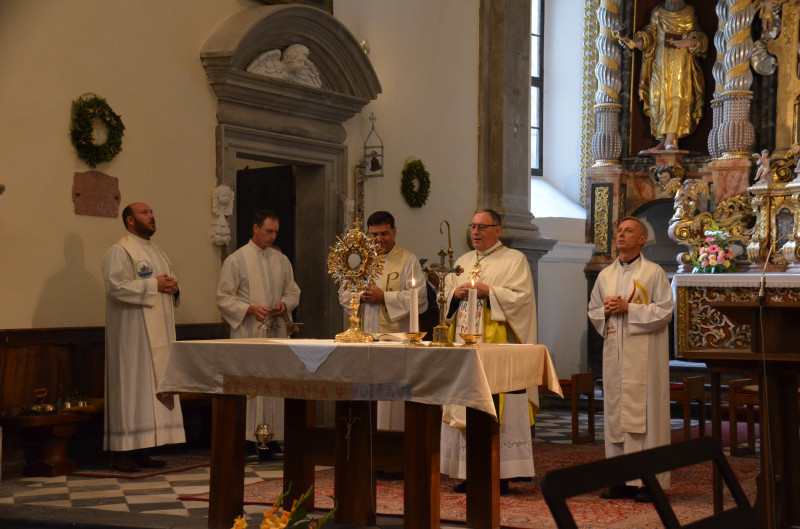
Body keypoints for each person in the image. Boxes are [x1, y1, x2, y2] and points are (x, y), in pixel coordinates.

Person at [440, 209, 538, 494]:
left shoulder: (514, 260)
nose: (475, 232)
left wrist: (490, 292)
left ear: (498, 229)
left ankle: (502, 473)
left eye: (482, 227)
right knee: (463, 404)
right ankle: (467, 472)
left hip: (498, 347)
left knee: (498, 406)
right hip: (463, 344)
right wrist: (454, 295)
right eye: (473, 226)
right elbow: (445, 299)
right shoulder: (462, 261)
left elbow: (522, 299)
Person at [588, 217, 673, 503]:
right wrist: (605, 311)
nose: (621, 235)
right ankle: (621, 479)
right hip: (616, 354)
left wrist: (629, 309)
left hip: (645, 356)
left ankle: (651, 481)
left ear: (642, 239)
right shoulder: (605, 275)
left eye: (628, 231)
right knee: (616, 415)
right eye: (619, 231)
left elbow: (665, 311)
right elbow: (593, 310)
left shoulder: (654, 272)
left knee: (647, 416)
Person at [102, 202, 185, 472]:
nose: (152, 216)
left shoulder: (157, 251)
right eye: (145, 213)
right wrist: (154, 284)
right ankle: (121, 452)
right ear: (130, 220)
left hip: (157, 335)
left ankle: (142, 448)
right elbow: (116, 288)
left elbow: (166, 282)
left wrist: (173, 287)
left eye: (151, 212)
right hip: (132, 336)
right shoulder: (120, 250)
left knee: (147, 392)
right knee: (131, 389)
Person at [216, 210, 301, 446]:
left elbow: (293, 291)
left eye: (275, 232)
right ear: (255, 228)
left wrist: (284, 304)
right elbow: (223, 297)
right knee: (250, 384)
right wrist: (249, 309)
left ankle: (272, 439)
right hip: (248, 332)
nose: (272, 236)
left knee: (274, 383)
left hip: (275, 332)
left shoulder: (281, 260)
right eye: (268, 231)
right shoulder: (236, 260)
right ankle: (246, 439)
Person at [338, 210, 426, 430]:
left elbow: (420, 298)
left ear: (394, 231)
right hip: (362, 338)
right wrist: (361, 296)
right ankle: (362, 439)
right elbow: (343, 294)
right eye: (374, 235)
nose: (379, 240)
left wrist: (384, 297)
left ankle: (391, 441)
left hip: (393, 340)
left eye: (384, 234)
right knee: (364, 390)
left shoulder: (408, 260)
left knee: (390, 395)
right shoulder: (358, 259)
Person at [619, 0, 707, 151]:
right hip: (660, 60)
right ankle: (663, 139)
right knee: (657, 97)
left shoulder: (689, 11)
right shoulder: (658, 11)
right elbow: (650, 35)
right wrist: (635, 43)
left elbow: (699, 36)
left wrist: (690, 42)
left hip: (680, 60)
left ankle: (671, 139)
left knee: (676, 97)